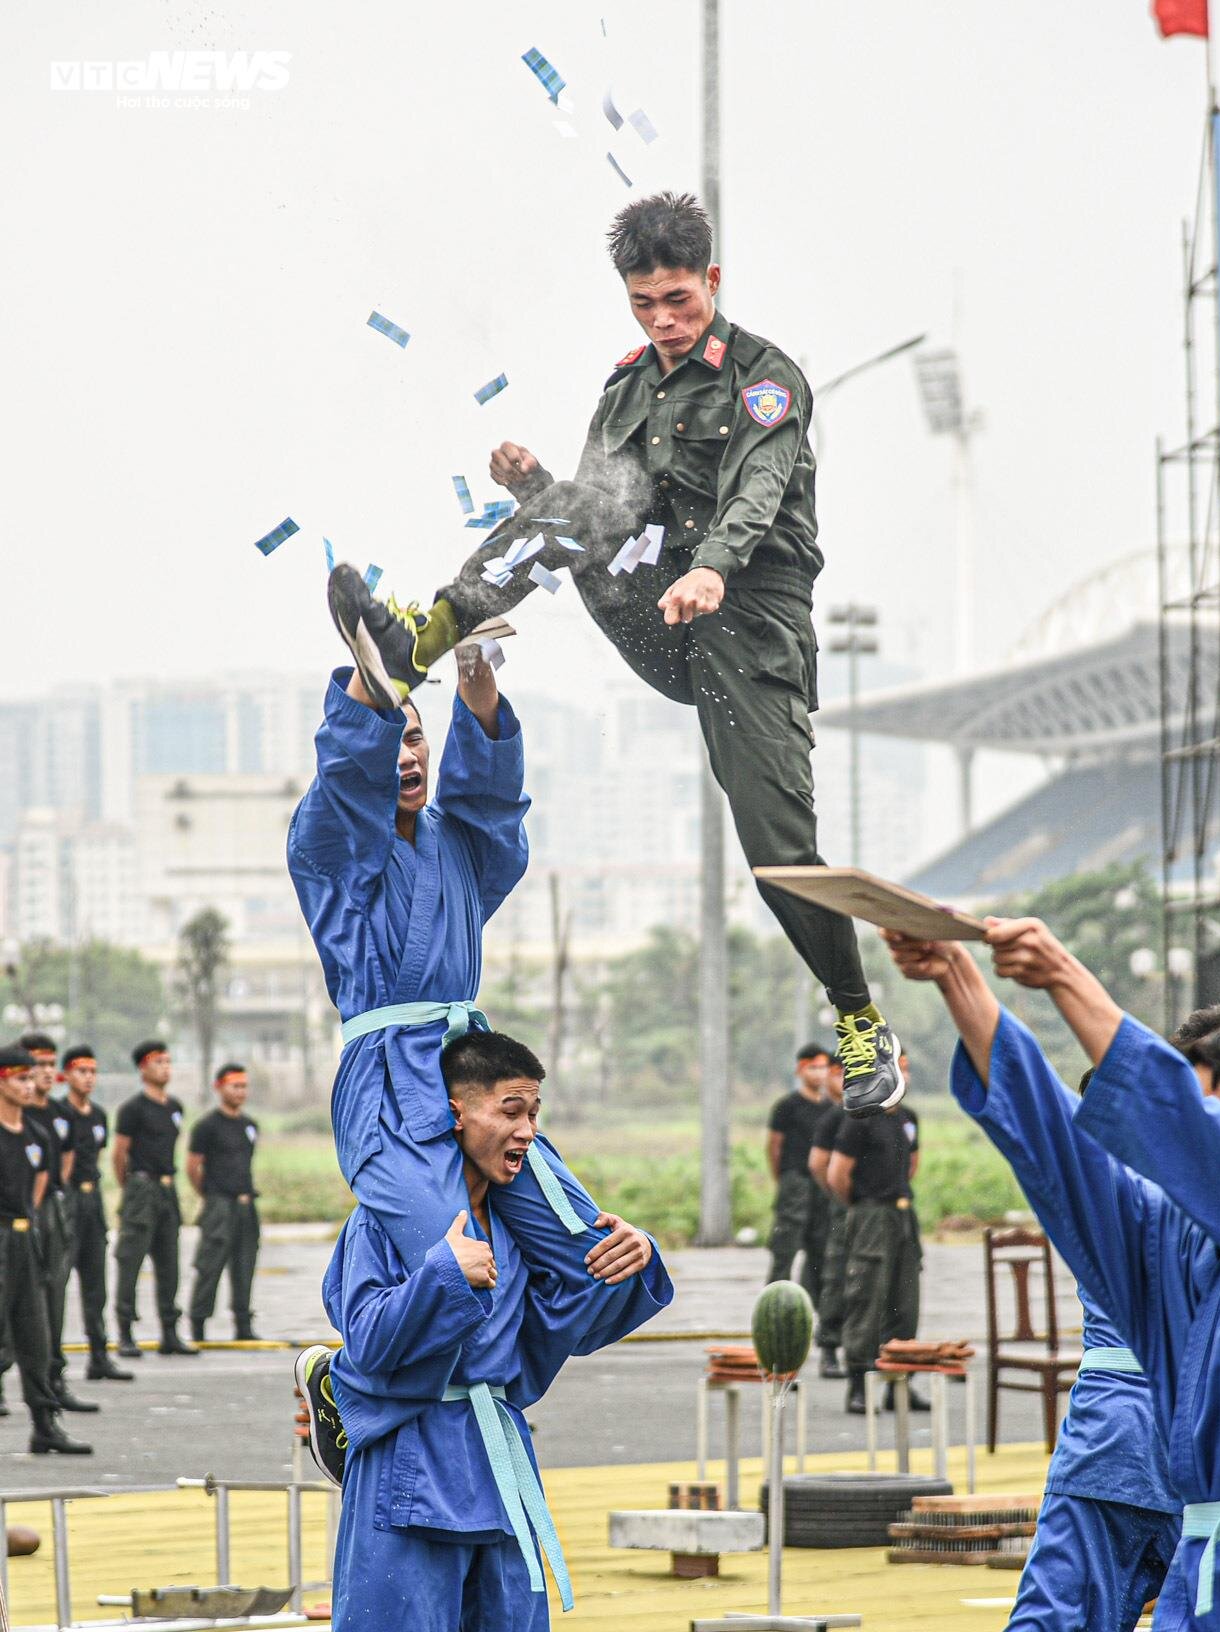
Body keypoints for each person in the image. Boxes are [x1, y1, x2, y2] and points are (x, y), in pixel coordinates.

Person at [323, 191, 902, 1120]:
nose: (666, 322)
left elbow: (757, 491)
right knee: (567, 511)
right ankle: (413, 647)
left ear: (711, 281)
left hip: (748, 627)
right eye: (645, 305)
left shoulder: (767, 380)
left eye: (680, 300)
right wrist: (541, 492)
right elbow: (606, 511)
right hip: (657, 609)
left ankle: (862, 1019)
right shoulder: (628, 385)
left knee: (777, 852)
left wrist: (713, 568)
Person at [289, 642, 668, 1380]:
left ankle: (494, 1384)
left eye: (415, 734)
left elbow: (490, 803)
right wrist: (375, 681)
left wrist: (475, 679)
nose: (403, 755)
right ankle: (344, 1385)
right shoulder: (328, 850)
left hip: (475, 1074)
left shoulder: (458, 844)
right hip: (388, 1090)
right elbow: (341, 783)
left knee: (595, 1258)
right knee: (450, 1260)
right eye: (386, 737)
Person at [881, 917, 1220, 1630]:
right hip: (1188, 1551)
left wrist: (1065, 975)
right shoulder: (1161, 1231)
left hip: (1115, 1446)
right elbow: (1055, 1139)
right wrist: (959, 979)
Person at [300, 1029, 672, 1631]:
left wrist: (632, 1255)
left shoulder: (517, 1231)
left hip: (500, 1462)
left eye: (534, 1113)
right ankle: (332, 1391)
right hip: (410, 1460)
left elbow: (560, 1324)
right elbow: (367, 1338)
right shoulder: (380, 1224)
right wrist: (444, 1273)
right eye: (510, 1111)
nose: (527, 1130)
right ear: (456, 1113)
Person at [0, 1045, 90, 1455]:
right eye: (19, 1078)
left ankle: (44, 1423)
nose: (28, 1084)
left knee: (35, 1332)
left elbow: (38, 1188)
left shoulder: (36, 1135)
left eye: (29, 1077)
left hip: (24, 1240)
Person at [829, 1053, 924, 1414]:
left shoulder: (908, 1119)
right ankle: (858, 1383)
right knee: (865, 1297)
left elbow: (912, 1164)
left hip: (903, 1215)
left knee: (906, 1302)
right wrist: (863, 1205)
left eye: (907, 1067)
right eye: (897, 1066)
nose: (904, 1073)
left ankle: (900, 1385)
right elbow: (837, 1173)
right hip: (871, 1215)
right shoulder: (860, 1119)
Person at [20, 1031, 98, 1415]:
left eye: (52, 1064)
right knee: (12, 1304)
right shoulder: (17, 1114)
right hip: (16, 1215)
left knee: (53, 1299)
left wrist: (52, 1197)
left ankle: (53, 1382)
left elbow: (62, 1162)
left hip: (52, 1210)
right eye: (39, 1064)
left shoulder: (60, 1115)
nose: (47, 1072)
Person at [112, 1041, 197, 1358]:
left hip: (167, 1189)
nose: (166, 1067)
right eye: (158, 1062)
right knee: (130, 1261)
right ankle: (124, 1331)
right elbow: (119, 1154)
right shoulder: (132, 1109)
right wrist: (132, 1188)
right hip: (142, 1187)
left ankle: (170, 1332)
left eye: (168, 1061)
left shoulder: (174, 1107)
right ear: (143, 1068)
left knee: (169, 1263)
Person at [60, 1043, 131, 1381]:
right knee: (57, 1283)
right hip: (67, 1199)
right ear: (67, 1075)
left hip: (92, 1201)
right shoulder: (58, 1114)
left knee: (95, 1284)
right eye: (80, 1071)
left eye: (92, 1072)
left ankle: (99, 1355)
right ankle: (52, 1364)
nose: (88, 1078)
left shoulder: (100, 1115)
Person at [187, 1062, 261, 1342]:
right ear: (219, 1088)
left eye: (244, 1086)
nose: (240, 1091)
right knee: (210, 1265)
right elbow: (193, 1167)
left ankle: (243, 1324)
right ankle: (198, 1324)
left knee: (245, 1265)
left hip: (246, 1204)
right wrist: (209, 1195)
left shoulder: (250, 1125)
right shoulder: (207, 1126)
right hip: (220, 1204)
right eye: (235, 1086)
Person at [765, 1044, 831, 1306]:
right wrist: (783, 1179)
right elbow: (774, 1146)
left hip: (821, 1186)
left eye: (823, 1067)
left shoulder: (830, 1108)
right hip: (795, 1182)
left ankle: (809, 1307)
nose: (819, 1073)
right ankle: (773, 1305)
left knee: (819, 1249)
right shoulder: (787, 1106)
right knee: (786, 1248)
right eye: (812, 1067)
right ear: (800, 1070)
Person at [808, 1059, 848, 1378]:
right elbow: (819, 1165)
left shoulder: (899, 1115)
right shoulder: (835, 1117)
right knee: (836, 1275)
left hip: (885, 1207)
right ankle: (830, 1348)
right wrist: (841, 1194)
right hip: (846, 1207)